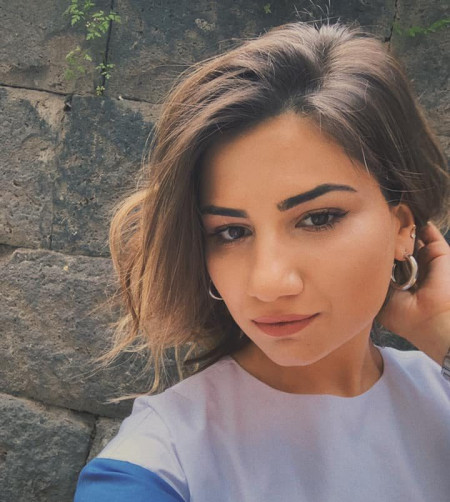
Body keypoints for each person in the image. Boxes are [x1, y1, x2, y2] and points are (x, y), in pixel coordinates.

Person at [74, 21, 450, 501]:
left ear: (401, 227)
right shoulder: (161, 462)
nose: (268, 282)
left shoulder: (438, 387)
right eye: (231, 232)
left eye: (318, 218)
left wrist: (442, 331)